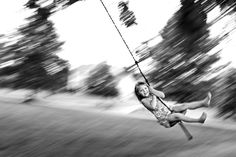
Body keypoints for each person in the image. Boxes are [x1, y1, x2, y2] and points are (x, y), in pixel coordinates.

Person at [134, 81, 212, 128]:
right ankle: (199, 120)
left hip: (170, 109)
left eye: (145, 88)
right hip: (165, 118)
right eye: (141, 90)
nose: (144, 91)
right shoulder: (144, 100)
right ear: (138, 93)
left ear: (148, 88)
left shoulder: (152, 93)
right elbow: (153, 107)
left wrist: (153, 91)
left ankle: (203, 103)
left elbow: (162, 95)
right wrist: (154, 96)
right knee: (177, 116)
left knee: (184, 105)